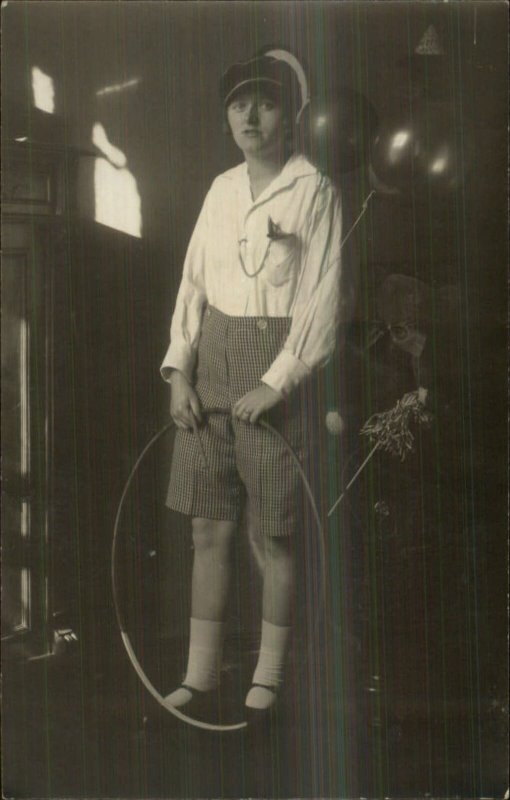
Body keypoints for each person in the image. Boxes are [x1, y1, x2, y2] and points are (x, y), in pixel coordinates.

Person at [160, 49, 350, 717]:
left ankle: (266, 678)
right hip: (210, 372)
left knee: (271, 534)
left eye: (264, 102)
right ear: (226, 115)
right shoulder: (219, 190)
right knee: (207, 529)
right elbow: (193, 288)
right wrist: (180, 371)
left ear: (290, 115)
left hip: (275, 383)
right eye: (238, 102)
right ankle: (200, 674)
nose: (249, 114)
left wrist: (279, 381)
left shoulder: (315, 190)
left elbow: (322, 301)